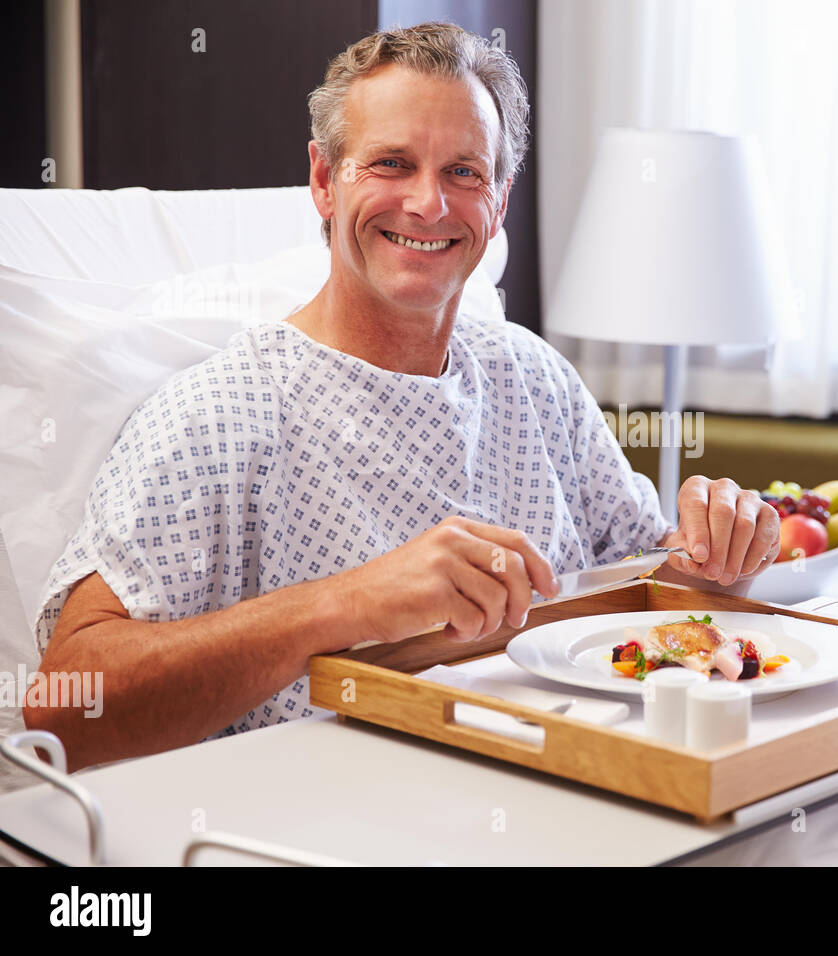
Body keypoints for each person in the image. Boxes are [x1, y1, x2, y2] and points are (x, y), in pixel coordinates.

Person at [25, 22, 780, 773]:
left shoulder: (534, 378)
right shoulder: (220, 415)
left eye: (464, 172)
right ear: (325, 181)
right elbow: (66, 709)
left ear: (500, 198)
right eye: (391, 163)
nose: (428, 204)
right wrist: (345, 605)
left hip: (583, 786)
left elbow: (651, 597)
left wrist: (720, 554)